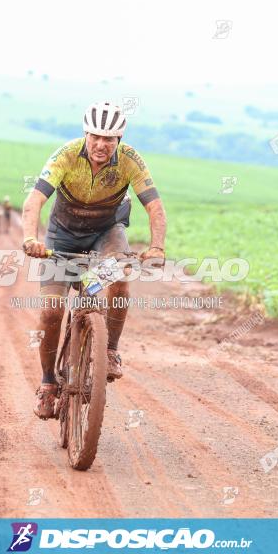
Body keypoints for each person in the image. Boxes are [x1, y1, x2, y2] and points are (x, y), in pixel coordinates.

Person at [21, 101, 167, 419]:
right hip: (62, 237)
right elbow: (34, 200)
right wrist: (31, 239)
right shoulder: (66, 155)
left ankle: (111, 350)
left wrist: (157, 247)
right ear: (86, 134)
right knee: (51, 311)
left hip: (106, 233)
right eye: (95, 137)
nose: (101, 144)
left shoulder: (131, 161)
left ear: (119, 140)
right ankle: (47, 384)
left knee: (120, 278)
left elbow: (155, 206)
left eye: (109, 139)